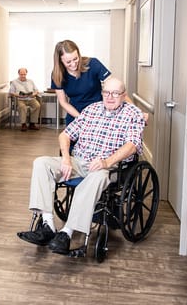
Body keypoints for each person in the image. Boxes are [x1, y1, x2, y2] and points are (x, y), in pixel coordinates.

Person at [17, 77, 145, 255]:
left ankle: (67, 233)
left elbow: (132, 145)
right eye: (106, 92)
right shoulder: (91, 110)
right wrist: (67, 159)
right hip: (79, 161)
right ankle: (47, 225)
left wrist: (106, 162)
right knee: (41, 163)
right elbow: (65, 135)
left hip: (109, 167)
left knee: (97, 176)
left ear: (123, 95)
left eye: (115, 93)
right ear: (102, 93)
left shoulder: (132, 114)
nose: (109, 97)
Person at [51, 40, 111, 126]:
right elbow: (63, 102)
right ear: (60, 62)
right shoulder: (57, 74)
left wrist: (133, 108)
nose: (73, 64)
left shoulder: (93, 63)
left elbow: (114, 86)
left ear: (79, 54)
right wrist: (81, 118)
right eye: (68, 62)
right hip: (75, 115)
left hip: (98, 113)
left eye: (75, 59)